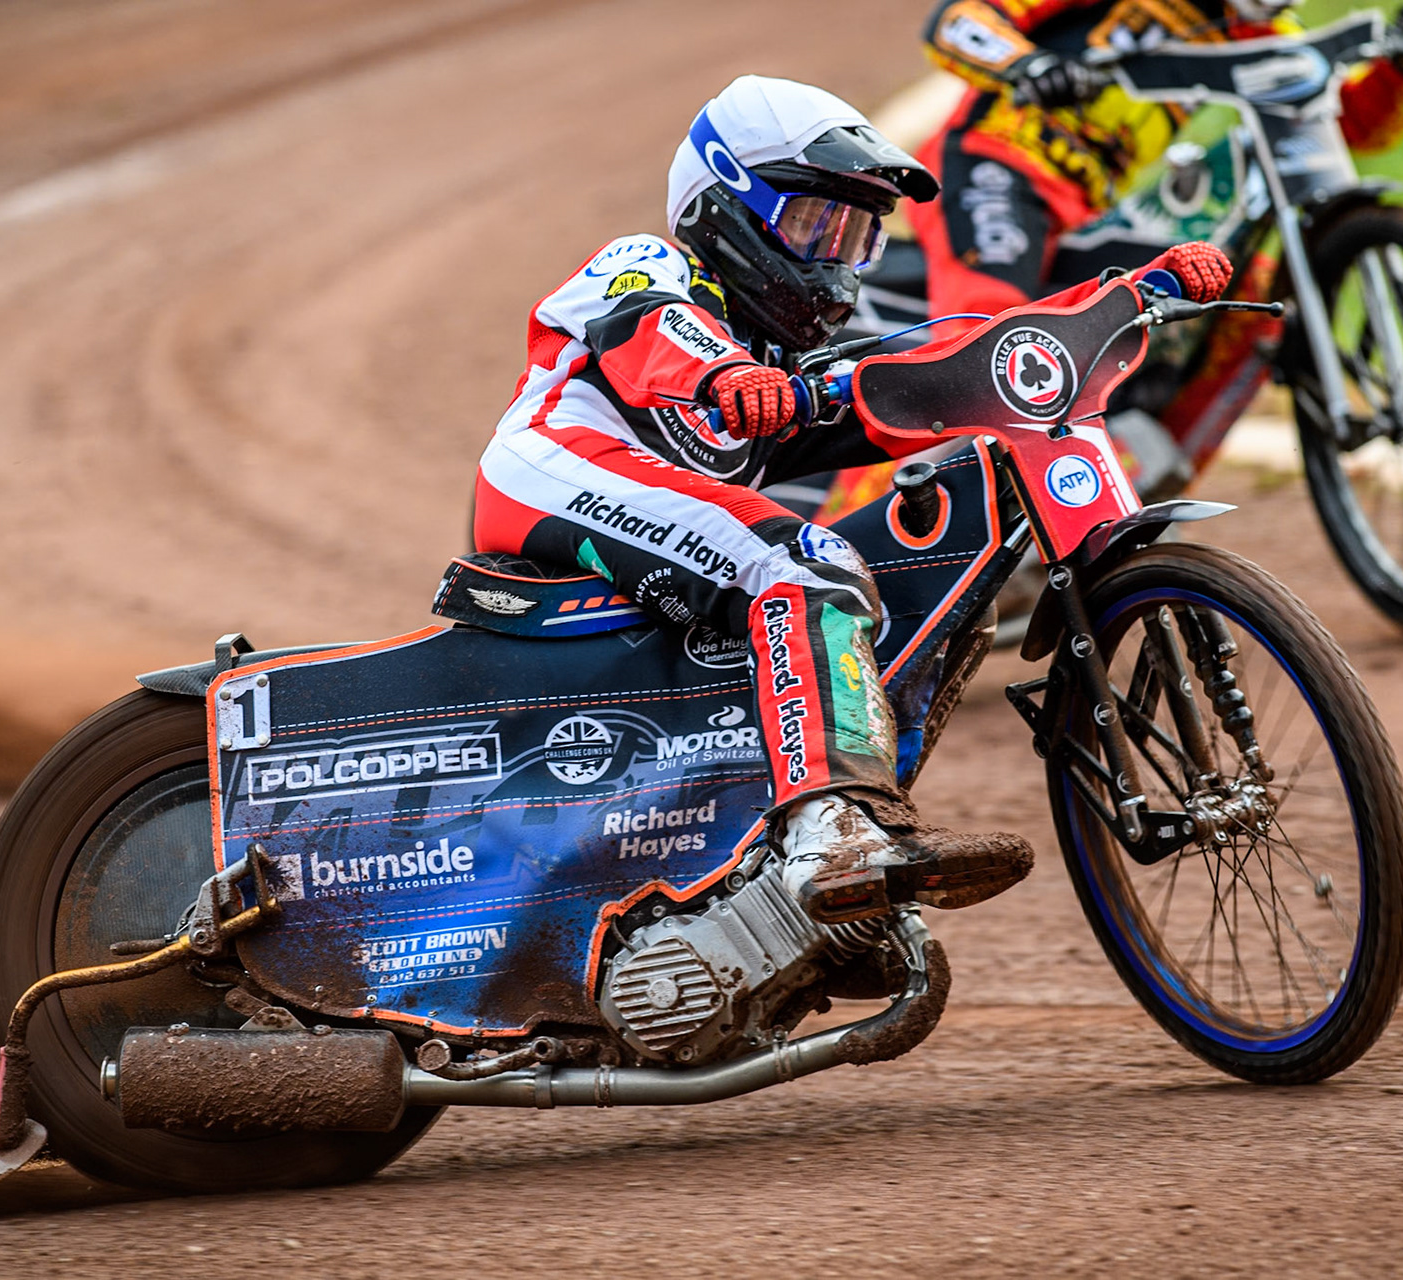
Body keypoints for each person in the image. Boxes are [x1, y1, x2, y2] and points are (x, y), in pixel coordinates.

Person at [473, 75, 1233, 924]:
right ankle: (831, 828)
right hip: (554, 470)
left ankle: (777, 839)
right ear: (723, 203)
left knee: (923, 555)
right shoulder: (648, 265)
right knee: (802, 562)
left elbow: (953, 354)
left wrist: (1128, 293)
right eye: (813, 223)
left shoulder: (777, 363)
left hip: (670, 485)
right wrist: (725, 374)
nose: (836, 257)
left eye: (858, 234)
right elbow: (654, 329)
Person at [909, 0, 1403, 320]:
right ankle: (887, 508)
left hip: (1088, 210)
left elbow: (1351, 123)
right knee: (987, 332)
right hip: (995, 164)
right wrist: (1026, 66)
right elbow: (957, 20)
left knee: (1242, 308)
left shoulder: (1257, 30)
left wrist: (1401, 70)